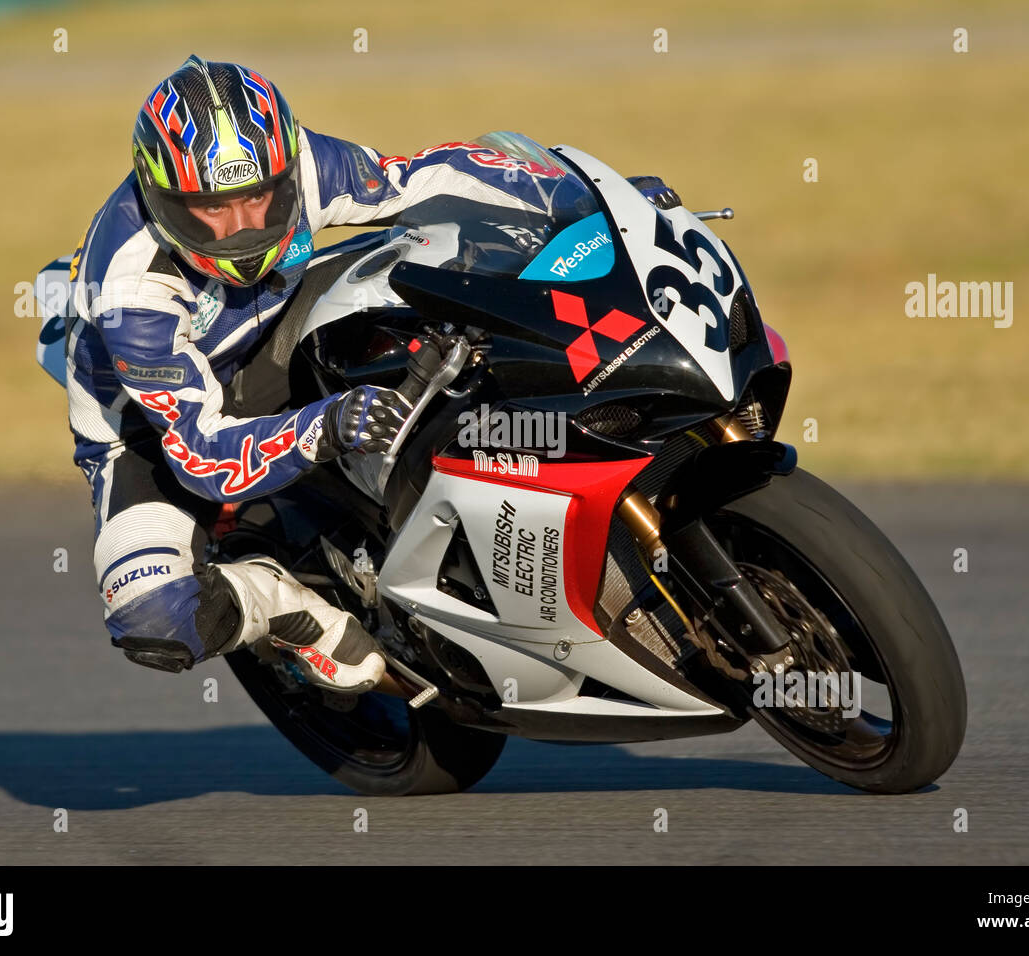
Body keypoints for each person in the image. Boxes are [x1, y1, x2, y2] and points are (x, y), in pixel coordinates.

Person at [56, 54, 680, 695]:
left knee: (442, 267)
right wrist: (325, 427)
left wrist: (597, 205)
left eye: (257, 197)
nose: (244, 227)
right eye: (213, 209)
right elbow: (199, 455)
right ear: (165, 201)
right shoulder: (133, 291)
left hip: (277, 323)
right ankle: (279, 602)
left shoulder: (305, 165)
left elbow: (428, 178)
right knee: (154, 619)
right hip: (151, 428)